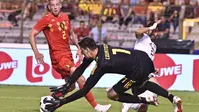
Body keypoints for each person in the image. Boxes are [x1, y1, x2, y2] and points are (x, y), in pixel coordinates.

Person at [47, 37, 183, 112]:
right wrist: (69, 84)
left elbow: (84, 91)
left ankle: (145, 100)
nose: (82, 54)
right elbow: (81, 67)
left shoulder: (102, 65)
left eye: (82, 51)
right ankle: (172, 98)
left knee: (112, 94)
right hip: (144, 58)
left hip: (137, 70)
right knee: (144, 84)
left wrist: (62, 102)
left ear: (87, 50)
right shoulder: (100, 47)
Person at [28, 0, 111, 112]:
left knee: (71, 86)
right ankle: (97, 107)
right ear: (49, 7)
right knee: (81, 79)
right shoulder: (46, 19)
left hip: (68, 55)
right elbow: (32, 34)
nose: (55, 7)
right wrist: (36, 52)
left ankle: (48, 101)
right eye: (53, 5)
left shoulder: (65, 17)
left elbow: (71, 33)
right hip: (58, 57)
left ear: (61, 6)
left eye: (57, 5)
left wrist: (79, 48)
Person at [122, 20, 160, 112]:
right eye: (155, 31)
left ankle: (133, 102)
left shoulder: (154, 46)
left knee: (144, 106)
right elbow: (137, 31)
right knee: (157, 89)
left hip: (146, 70)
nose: (157, 33)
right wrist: (151, 28)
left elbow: (148, 59)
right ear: (149, 30)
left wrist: (153, 69)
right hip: (137, 69)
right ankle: (130, 102)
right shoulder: (143, 37)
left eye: (157, 31)